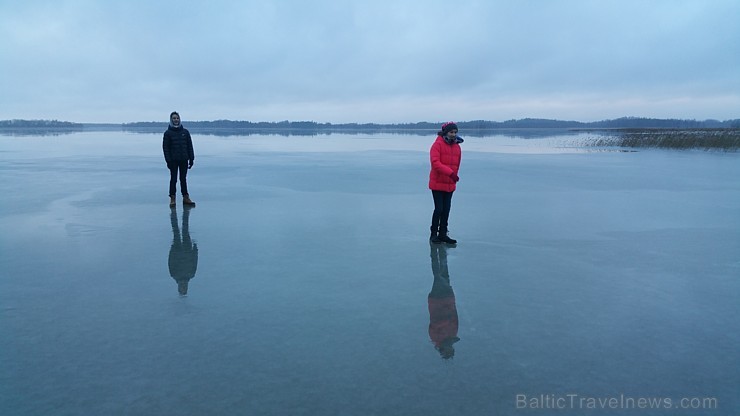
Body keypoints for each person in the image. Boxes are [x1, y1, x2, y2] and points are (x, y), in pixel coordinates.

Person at [428, 121, 463, 244]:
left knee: (446, 209)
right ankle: (433, 235)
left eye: (455, 132)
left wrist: (453, 177)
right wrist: (451, 173)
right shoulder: (437, 145)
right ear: (445, 132)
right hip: (437, 183)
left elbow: (456, 165)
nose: (453, 134)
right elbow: (435, 163)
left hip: (450, 184)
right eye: (451, 132)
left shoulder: (457, 147)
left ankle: (443, 233)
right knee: (439, 209)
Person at [163, 111, 196, 207]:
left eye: (177, 118)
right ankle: (172, 198)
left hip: (184, 159)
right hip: (173, 160)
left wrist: (191, 158)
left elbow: (190, 146)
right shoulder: (168, 133)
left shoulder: (185, 132)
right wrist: (168, 161)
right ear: (171, 120)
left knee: (183, 179)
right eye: (174, 118)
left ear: (179, 119)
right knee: (173, 179)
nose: (176, 120)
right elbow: (166, 148)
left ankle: (186, 197)